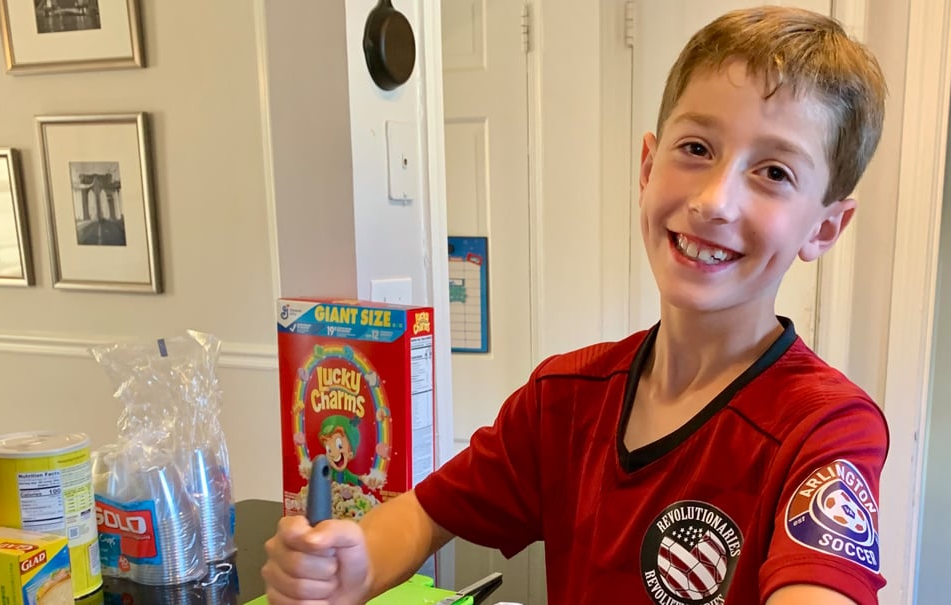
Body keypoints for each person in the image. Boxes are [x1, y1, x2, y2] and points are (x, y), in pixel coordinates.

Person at [261, 5, 889, 604]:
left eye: (774, 172)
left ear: (825, 229)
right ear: (648, 165)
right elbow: (425, 514)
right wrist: (354, 563)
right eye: (697, 148)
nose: (714, 201)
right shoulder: (563, 398)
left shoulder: (824, 431)